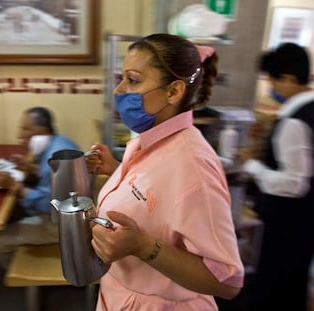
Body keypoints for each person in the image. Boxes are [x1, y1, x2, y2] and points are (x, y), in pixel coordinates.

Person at [85, 33, 244, 310]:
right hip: (120, 294)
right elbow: (156, 192)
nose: (119, 90)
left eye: (133, 80)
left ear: (173, 91)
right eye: (121, 78)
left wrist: (145, 247)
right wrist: (115, 170)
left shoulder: (194, 166)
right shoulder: (152, 140)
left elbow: (227, 282)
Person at [240, 43, 314, 310]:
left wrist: (253, 166)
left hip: (295, 216)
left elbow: (293, 183)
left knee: (276, 282)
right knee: (294, 280)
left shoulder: (295, 120)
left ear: (289, 78)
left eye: (273, 80)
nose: (272, 88)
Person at [0, 106, 80, 269]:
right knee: (13, 211)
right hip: (72, 213)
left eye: (25, 130)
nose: (20, 136)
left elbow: (49, 205)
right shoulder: (59, 142)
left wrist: (14, 186)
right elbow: (48, 177)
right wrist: (30, 168)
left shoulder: (57, 158)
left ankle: (22, 275)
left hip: (62, 225)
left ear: (41, 131)